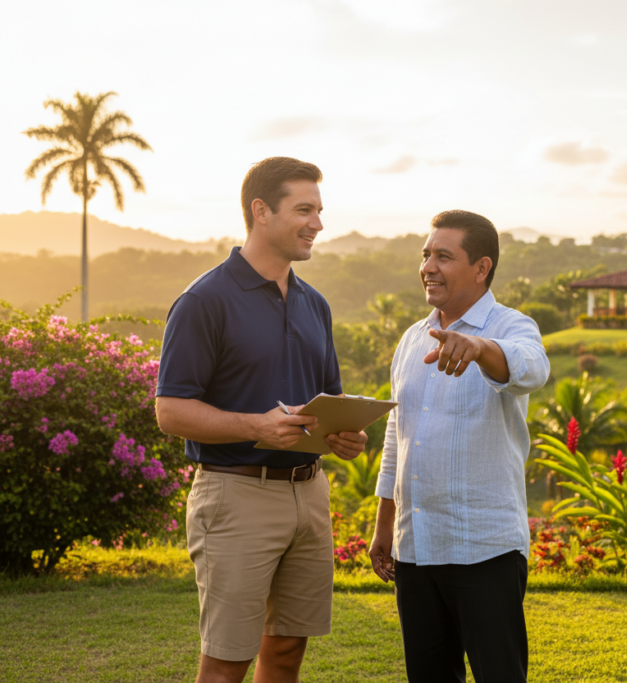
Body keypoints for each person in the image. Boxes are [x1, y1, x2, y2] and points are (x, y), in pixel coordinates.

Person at [155, 157, 368, 683]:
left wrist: (344, 435)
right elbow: (170, 411)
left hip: (309, 494)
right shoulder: (204, 300)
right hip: (235, 496)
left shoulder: (314, 304)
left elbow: (328, 400)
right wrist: (255, 426)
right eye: (304, 209)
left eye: (319, 210)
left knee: (289, 647)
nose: (318, 222)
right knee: (228, 660)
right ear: (261, 211)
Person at [369, 210, 550, 683]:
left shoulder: (512, 326)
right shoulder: (410, 340)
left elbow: (532, 368)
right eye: (426, 254)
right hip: (416, 549)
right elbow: (397, 438)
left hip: (485, 549)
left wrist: (481, 348)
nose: (428, 266)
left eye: (443, 256)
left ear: (482, 267)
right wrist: (384, 526)